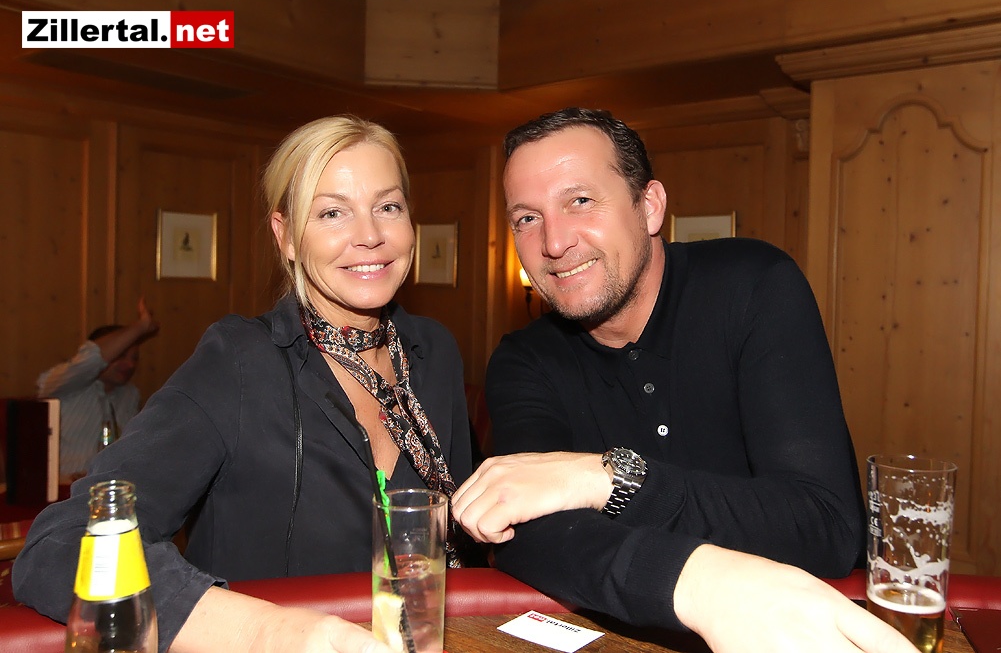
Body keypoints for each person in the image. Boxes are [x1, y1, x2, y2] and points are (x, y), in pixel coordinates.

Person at [452, 107, 915, 652]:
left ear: (649, 206)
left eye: (580, 201)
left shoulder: (752, 287)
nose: (553, 243)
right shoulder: (523, 360)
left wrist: (606, 479)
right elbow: (530, 537)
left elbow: (826, 528)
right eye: (527, 218)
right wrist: (699, 584)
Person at [15, 115, 473, 653]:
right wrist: (267, 632)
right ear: (286, 237)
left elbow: (459, 541)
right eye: (332, 212)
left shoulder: (434, 352)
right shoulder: (238, 361)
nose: (370, 235)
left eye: (388, 207)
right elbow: (62, 542)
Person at [37, 298, 159, 482]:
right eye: (121, 355)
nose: (130, 365)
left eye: (134, 358)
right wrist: (140, 327)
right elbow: (91, 358)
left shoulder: (130, 394)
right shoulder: (65, 383)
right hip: (62, 487)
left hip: (108, 487)